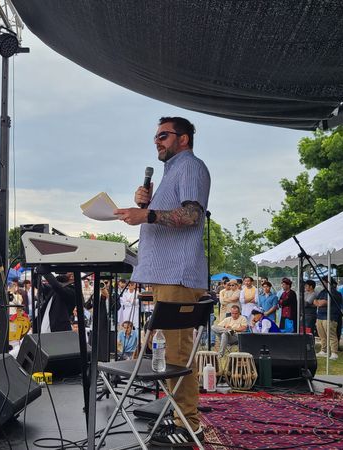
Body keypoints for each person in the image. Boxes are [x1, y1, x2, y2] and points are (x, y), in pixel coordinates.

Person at [114, 116, 210, 446]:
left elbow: (192, 215)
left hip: (178, 275)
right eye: (155, 136)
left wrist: (148, 214)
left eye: (164, 135)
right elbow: (164, 216)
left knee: (177, 355)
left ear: (183, 139)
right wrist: (146, 205)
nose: (157, 141)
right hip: (165, 275)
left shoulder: (191, 167)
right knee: (168, 354)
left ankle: (189, 423)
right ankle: (177, 412)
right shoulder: (172, 173)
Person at [33, 268, 76, 333]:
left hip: (58, 331)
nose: (63, 274)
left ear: (73, 277)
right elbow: (38, 285)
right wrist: (35, 273)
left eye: (69, 272)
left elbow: (57, 286)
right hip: (45, 330)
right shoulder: (54, 289)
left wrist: (46, 272)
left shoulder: (73, 291)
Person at [314, 278, 343, 360]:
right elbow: (315, 301)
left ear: (328, 282)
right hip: (320, 316)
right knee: (322, 335)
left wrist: (320, 303)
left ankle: (334, 352)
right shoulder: (322, 292)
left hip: (330, 316)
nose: (322, 284)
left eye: (323, 282)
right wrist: (319, 303)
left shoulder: (335, 293)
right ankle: (324, 350)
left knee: (331, 335)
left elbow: (324, 302)